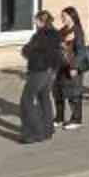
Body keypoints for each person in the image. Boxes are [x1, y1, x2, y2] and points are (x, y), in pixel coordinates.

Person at [18, 11, 65, 142]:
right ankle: (48, 129)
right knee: (44, 98)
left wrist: (28, 51)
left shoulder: (40, 36)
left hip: (39, 71)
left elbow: (27, 51)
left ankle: (34, 132)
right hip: (51, 71)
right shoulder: (56, 34)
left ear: (41, 22)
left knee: (26, 101)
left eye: (36, 21)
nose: (35, 23)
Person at [54, 6, 89, 129]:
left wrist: (74, 66)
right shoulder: (63, 30)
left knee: (73, 93)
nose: (62, 18)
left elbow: (81, 51)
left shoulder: (77, 31)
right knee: (58, 92)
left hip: (72, 66)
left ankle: (76, 119)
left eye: (64, 16)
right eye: (62, 16)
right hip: (61, 65)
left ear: (71, 17)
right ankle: (59, 118)